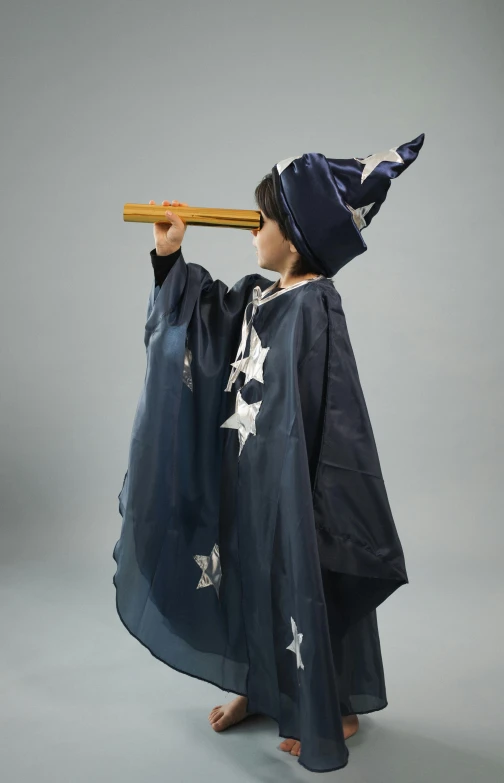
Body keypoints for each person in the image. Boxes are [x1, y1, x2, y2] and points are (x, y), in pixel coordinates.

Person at [113, 135, 425, 773]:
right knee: (252, 572)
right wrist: (170, 256)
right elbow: (201, 321)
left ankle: (328, 704)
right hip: (249, 475)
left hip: (296, 482)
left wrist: (313, 489)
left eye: (266, 216)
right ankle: (262, 687)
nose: (255, 226)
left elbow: (334, 411)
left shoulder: (315, 308)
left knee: (299, 579)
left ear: (298, 234)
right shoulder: (262, 297)